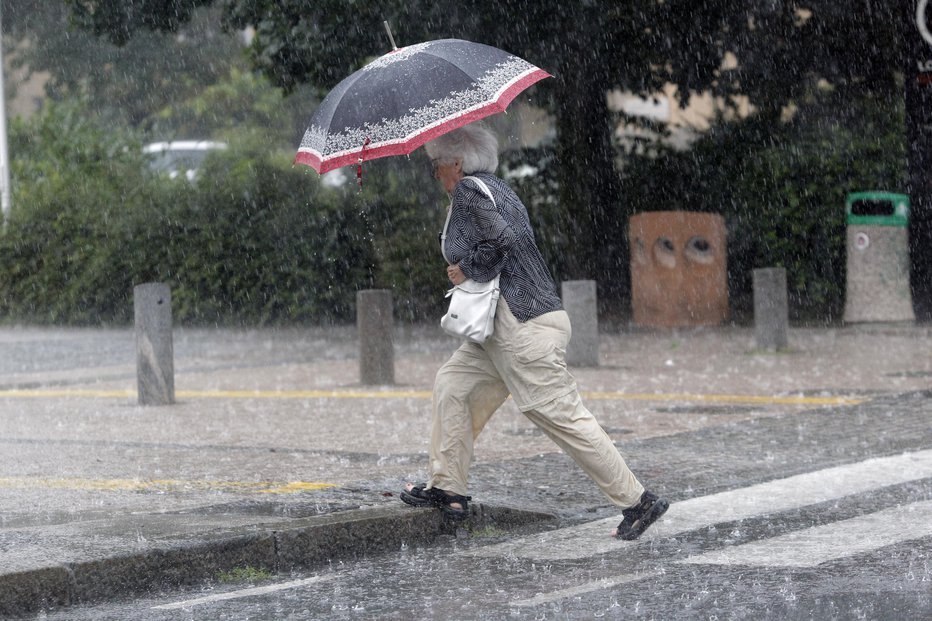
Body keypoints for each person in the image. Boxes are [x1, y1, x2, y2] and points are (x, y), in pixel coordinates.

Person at [400, 124, 669, 540]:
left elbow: (505, 240)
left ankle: (638, 501)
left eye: (436, 164)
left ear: (456, 162)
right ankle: (448, 489)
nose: (435, 173)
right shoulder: (495, 189)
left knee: (558, 414)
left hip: (519, 324)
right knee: (454, 386)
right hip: (497, 328)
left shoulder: (471, 192)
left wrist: (466, 269)